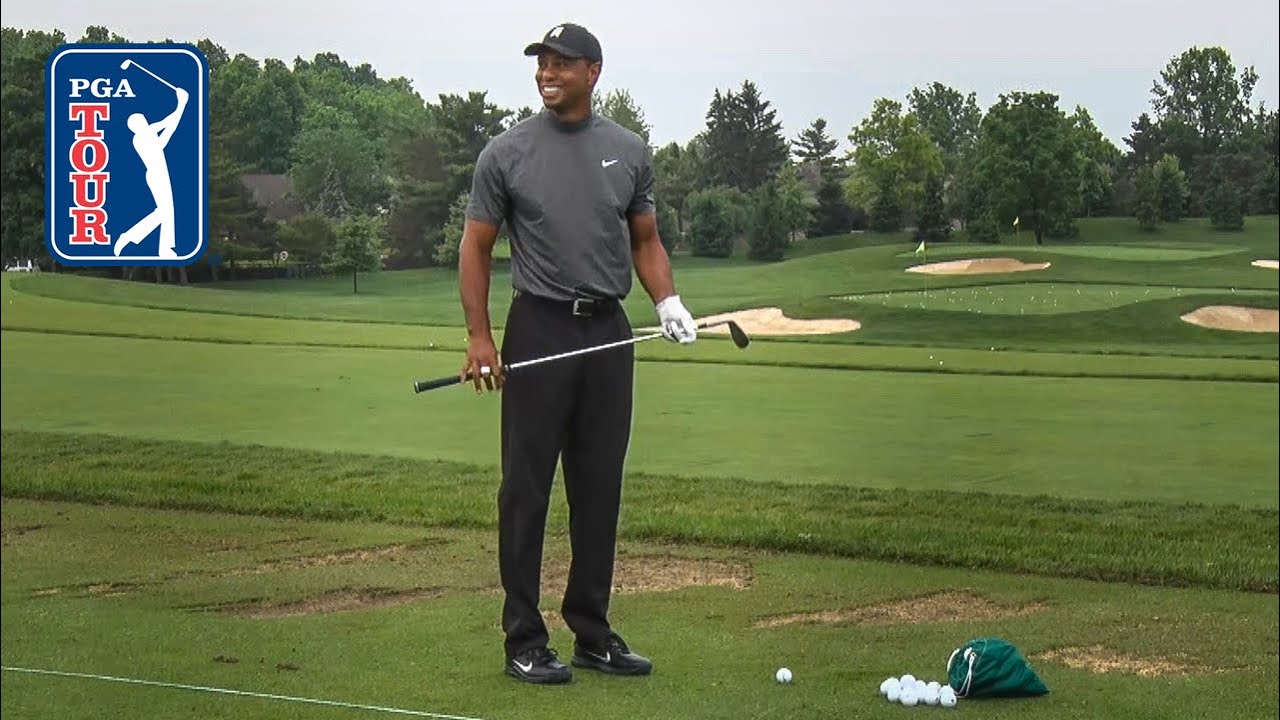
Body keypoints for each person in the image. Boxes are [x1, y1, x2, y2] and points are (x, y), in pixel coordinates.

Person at [456, 21, 699, 685]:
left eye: (561, 63)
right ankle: (524, 640)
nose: (547, 73)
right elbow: (475, 247)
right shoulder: (506, 154)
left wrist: (668, 302)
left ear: (593, 71)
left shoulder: (628, 150)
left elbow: (645, 240)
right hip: (539, 328)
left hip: (610, 334)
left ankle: (591, 632)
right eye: (542, 62)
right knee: (525, 489)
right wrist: (480, 338)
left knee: (599, 486)